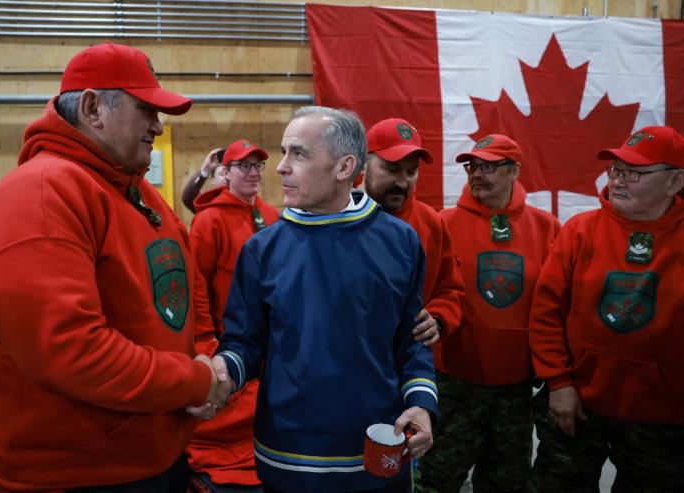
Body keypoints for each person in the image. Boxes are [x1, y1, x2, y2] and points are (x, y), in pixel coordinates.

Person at [0, 42, 228, 492]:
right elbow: (72, 350)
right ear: (93, 107)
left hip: (150, 460)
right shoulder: (42, 193)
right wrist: (192, 382)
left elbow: (184, 287)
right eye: (146, 110)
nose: (158, 126)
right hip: (71, 477)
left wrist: (203, 354)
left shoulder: (135, 191)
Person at [211, 106, 438, 493]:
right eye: (284, 152)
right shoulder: (261, 250)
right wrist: (222, 371)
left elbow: (409, 340)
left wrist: (421, 402)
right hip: (288, 457)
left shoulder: (401, 242)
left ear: (344, 166)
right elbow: (243, 342)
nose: (281, 167)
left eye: (297, 154)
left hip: (377, 454)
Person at [529, 126, 684, 492]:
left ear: (675, 181)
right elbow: (546, 312)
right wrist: (559, 382)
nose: (617, 180)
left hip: (664, 420)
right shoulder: (580, 230)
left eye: (635, 172)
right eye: (615, 169)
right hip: (579, 405)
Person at [418, 134, 561, 493]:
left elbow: (555, 306)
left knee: (506, 482)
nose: (477, 174)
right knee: (436, 480)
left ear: (514, 171)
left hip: (515, 390)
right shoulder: (442, 223)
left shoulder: (547, 228)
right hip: (453, 384)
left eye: (489, 166)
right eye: (473, 166)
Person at [187, 139, 279, 492]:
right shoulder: (209, 220)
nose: (254, 172)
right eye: (245, 166)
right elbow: (198, 287)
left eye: (258, 165)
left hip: (270, 343)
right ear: (226, 173)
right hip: (231, 343)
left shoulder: (272, 215)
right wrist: (207, 341)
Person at [363, 118, 463, 349]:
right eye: (391, 169)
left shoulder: (431, 222)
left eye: (412, 171)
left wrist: (438, 318)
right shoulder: (337, 215)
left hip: (408, 362)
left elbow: (449, 290)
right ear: (364, 163)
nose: (402, 182)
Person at [182, 148, 229, 213]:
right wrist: (205, 169)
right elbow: (188, 198)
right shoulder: (208, 204)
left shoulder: (243, 199)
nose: (226, 177)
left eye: (228, 173)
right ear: (213, 182)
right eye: (221, 174)